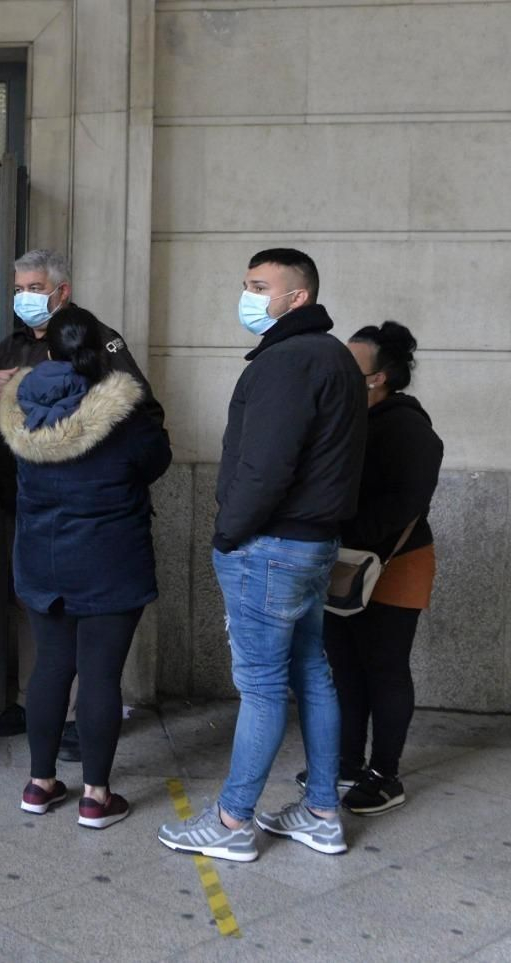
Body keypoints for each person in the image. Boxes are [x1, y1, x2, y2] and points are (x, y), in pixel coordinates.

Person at [158, 248, 365, 863]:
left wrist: (229, 534)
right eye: (245, 283)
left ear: (296, 297)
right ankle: (322, 811)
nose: (246, 296)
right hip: (313, 544)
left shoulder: (288, 360)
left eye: (259, 285)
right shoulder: (335, 357)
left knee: (264, 686)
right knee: (312, 673)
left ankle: (231, 821)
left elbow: (265, 466)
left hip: (269, 547)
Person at [0, 249, 164, 749]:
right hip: (26, 501)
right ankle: (35, 707)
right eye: (19, 289)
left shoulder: (98, 339)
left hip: (92, 508)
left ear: (61, 291)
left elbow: (141, 410)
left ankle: (84, 719)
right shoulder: (10, 346)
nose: (25, 298)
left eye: (34, 288)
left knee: (94, 636)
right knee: (34, 615)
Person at [0, 307, 171, 829]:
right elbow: (156, 463)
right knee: (100, 675)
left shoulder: (20, 409)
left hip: (40, 559)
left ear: (47, 351)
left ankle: (40, 783)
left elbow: (6, 478)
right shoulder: (126, 414)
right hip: (109, 561)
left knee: (50, 668)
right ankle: (96, 796)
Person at [313, 322, 442, 815]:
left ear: (380, 378)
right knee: (343, 665)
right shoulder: (345, 418)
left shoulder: (409, 427)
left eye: (353, 364)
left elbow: (403, 504)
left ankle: (385, 775)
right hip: (344, 561)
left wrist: (339, 529)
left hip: (394, 563)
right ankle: (346, 762)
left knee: (384, 668)